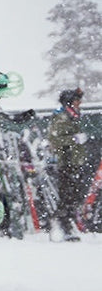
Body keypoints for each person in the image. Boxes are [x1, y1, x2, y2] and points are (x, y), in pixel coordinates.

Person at [48, 88, 89, 241]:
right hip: (66, 163)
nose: (80, 104)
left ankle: (68, 225)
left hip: (75, 162)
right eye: (77, 101)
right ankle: (62, 226)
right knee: (67, 197)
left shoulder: (73, 117)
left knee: (74, 197)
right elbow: (54, 141)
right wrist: (74, 139)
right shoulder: (61, 117)